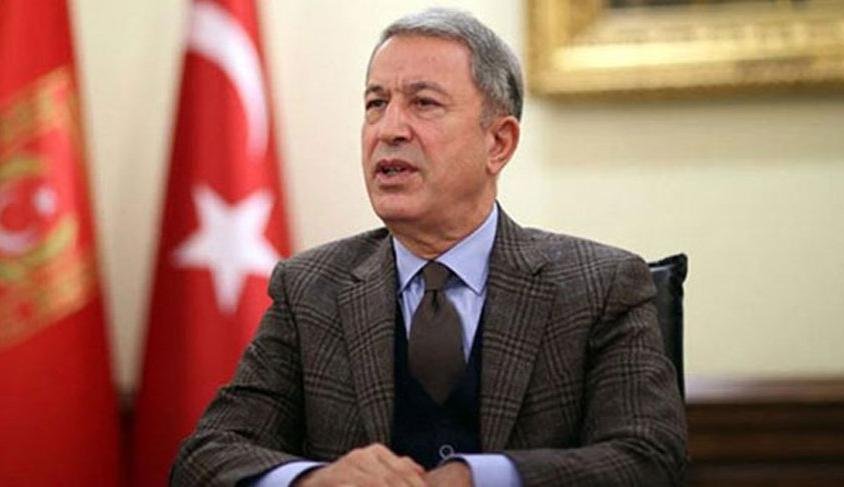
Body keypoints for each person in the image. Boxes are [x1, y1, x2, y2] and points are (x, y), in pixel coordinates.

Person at [171, 7, 686, 486]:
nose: (389, 130)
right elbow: (206, 455)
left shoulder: (600, 287)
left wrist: (478, 477)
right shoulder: (310, 289)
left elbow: (649, 457)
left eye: (423, 103)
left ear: (498, 143)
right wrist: (313, 480)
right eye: (376, 104)